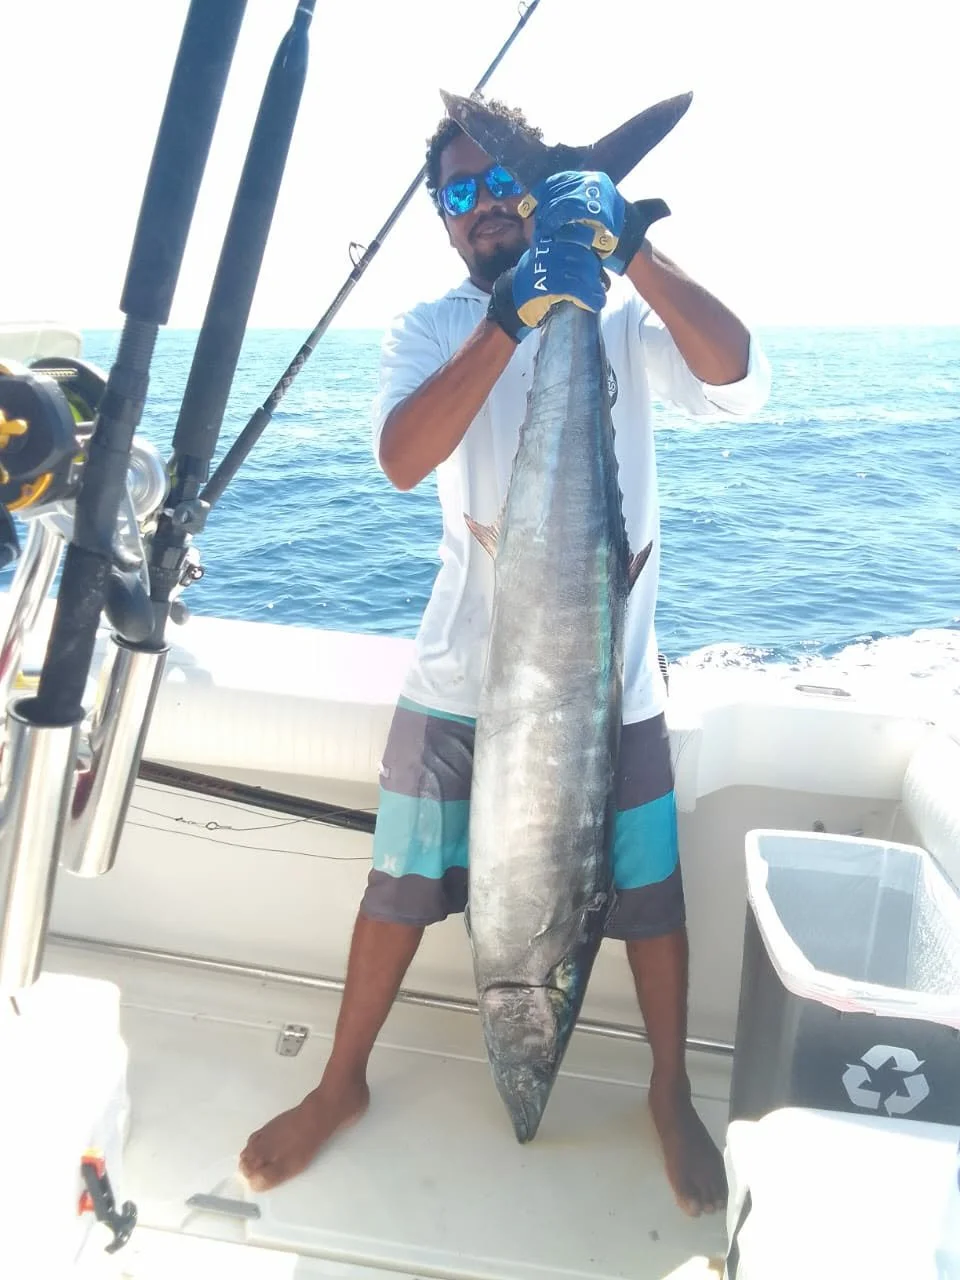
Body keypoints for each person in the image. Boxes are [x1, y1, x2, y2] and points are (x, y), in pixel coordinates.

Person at [240, 97, 771, 1217]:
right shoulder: (433, 329)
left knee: (651, 898)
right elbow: (400, 458)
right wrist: (514, 321)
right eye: (461, 193)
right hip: (456, 679)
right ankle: (341, 1082)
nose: (483, 209)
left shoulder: (620, 324)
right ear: (442, 218)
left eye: (499, 187)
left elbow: (733, 372)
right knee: (396, 888)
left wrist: (627, 249)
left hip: (601, 689)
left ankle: (669, 1090)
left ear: (532, 197)